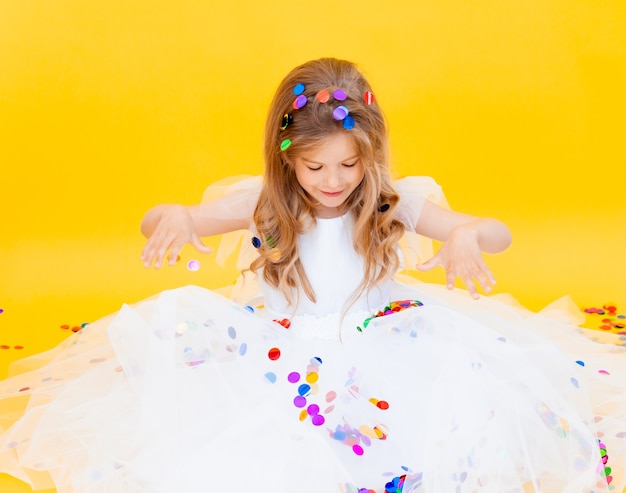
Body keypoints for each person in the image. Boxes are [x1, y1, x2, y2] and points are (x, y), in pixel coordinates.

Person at [1, 58, 624, 492]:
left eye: (348, 164)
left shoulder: (391, 199)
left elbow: (498, 231)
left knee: (419, 431)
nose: (333, 182)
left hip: (386, 344)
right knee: (239, 448)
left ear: (371, 153)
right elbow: (170, 216)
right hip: (276, 350)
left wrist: (463, 233)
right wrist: (170, 218)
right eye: (315, 167)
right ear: (285, 159)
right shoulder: (265, 202)